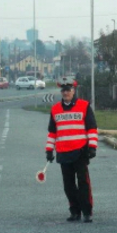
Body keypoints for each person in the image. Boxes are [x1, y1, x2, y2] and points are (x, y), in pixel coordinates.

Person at [44, 76, 98, 223]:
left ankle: (87, 212)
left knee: (83, 183)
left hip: (80, 151)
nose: (66, 93)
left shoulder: (84, 106)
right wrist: (49, 150)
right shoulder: (55, 109)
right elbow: (52, 132)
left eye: (68, 90)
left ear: (73, 91)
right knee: (68, 185)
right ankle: (75, 211)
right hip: (63, 152)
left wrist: (92, 147)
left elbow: (92, 128)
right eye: (63, 90)